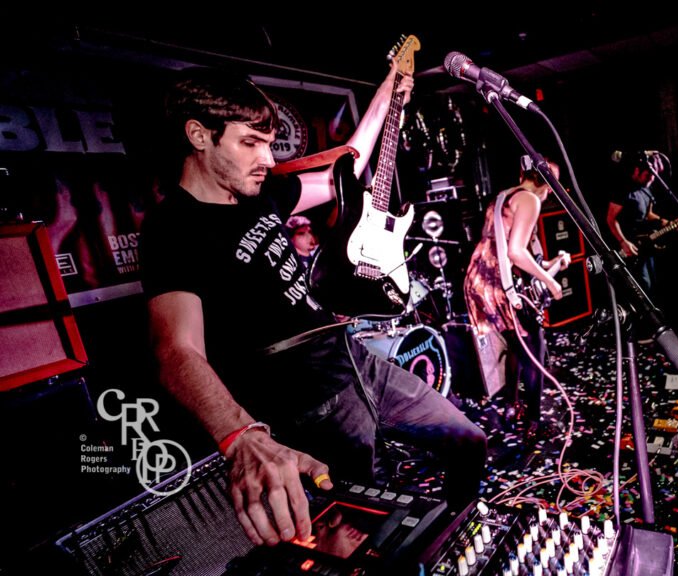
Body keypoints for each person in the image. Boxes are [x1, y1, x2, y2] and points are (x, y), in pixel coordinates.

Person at [141, 59, 486, 548]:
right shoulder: (172, 228)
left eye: (268, 143)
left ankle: (462, 542)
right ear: (199, 135)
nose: (267, 158)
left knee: (469, 440)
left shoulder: (260, 194)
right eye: (250, 143)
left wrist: (388, 92)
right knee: (365, 524)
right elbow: (176, 350)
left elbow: (348, 168)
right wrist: (240, 436)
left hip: (353, 360)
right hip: (305, 401)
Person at [464, 157, 570, 434]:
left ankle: (512, 405)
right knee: (535, 350)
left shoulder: (504, 196)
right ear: (547, 184)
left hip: (481, 278)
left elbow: (515, 251)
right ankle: (534, 422)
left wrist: (553, 264)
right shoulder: (530, 200)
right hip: (500, 285)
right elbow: (515, 253)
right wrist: (551, 282)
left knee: (517, 345)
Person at [606, 151, 678, 295]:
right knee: (643, 286)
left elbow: (648, 215)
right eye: (648, 175)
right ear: (637, 171)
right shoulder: (623, 189)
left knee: (653, 284)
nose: (651, 179)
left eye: (653, 176)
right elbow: (610, 219)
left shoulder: (646, 189)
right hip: (627, 248)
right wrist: (623, 241)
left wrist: (666, 222)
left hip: (644, 246)